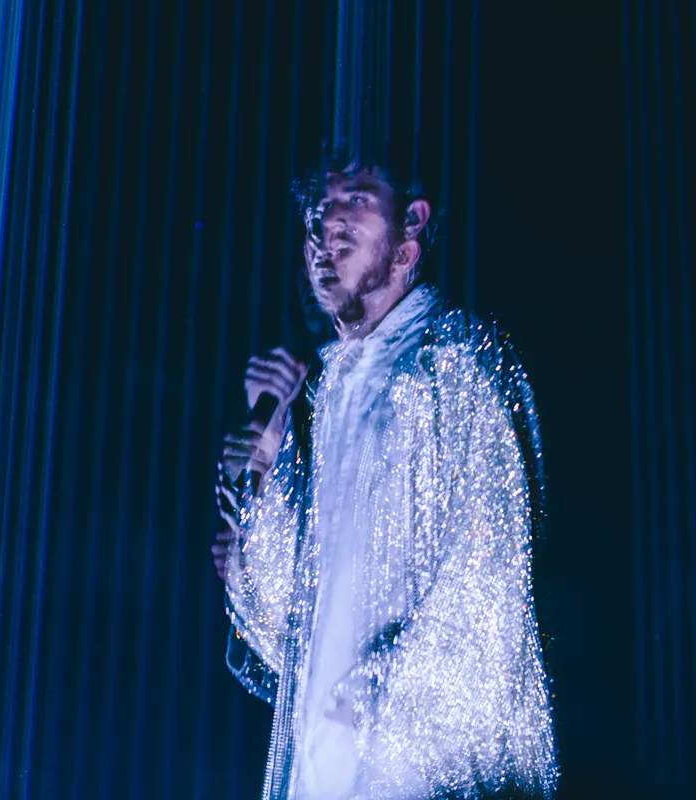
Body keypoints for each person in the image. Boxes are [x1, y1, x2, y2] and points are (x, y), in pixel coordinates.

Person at [212, 153, 558, 799]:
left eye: (353, 202)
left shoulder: (456, 362)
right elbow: (285, 637)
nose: (325, 229)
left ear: (410, 231)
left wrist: (365, 704)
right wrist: (267, 470)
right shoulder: (330, 399)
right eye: (316, 214)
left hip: (418, 777)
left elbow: (486, 585)